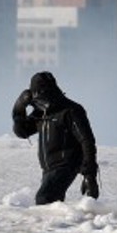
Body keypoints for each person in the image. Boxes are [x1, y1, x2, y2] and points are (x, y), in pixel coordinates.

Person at [11, 71, 99, 204]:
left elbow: (87, 141)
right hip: (48, 168)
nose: (36, 100)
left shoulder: (71, 110)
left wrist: (89, 176)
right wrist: (19, 107)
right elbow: (22, 132)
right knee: (50, 204)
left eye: (37, 95)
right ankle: (64, 224)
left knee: (44, 199)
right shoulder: (42, 112)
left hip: (66, 164)